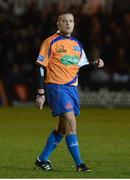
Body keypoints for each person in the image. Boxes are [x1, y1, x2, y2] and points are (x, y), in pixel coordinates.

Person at [35, 12, 104, 172]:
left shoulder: (76, 44)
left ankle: (42, 159)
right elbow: (40, 66)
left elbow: (82, 67)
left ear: (74, 24)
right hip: (56, 87)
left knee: (62, 128)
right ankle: (80, 164)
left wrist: (94, 64)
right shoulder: (50, 42)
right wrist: (41, 93)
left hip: (71, 88)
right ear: (58, 24)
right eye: (64, 21)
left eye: (71, 21)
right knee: (71, 123)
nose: (68, 23)